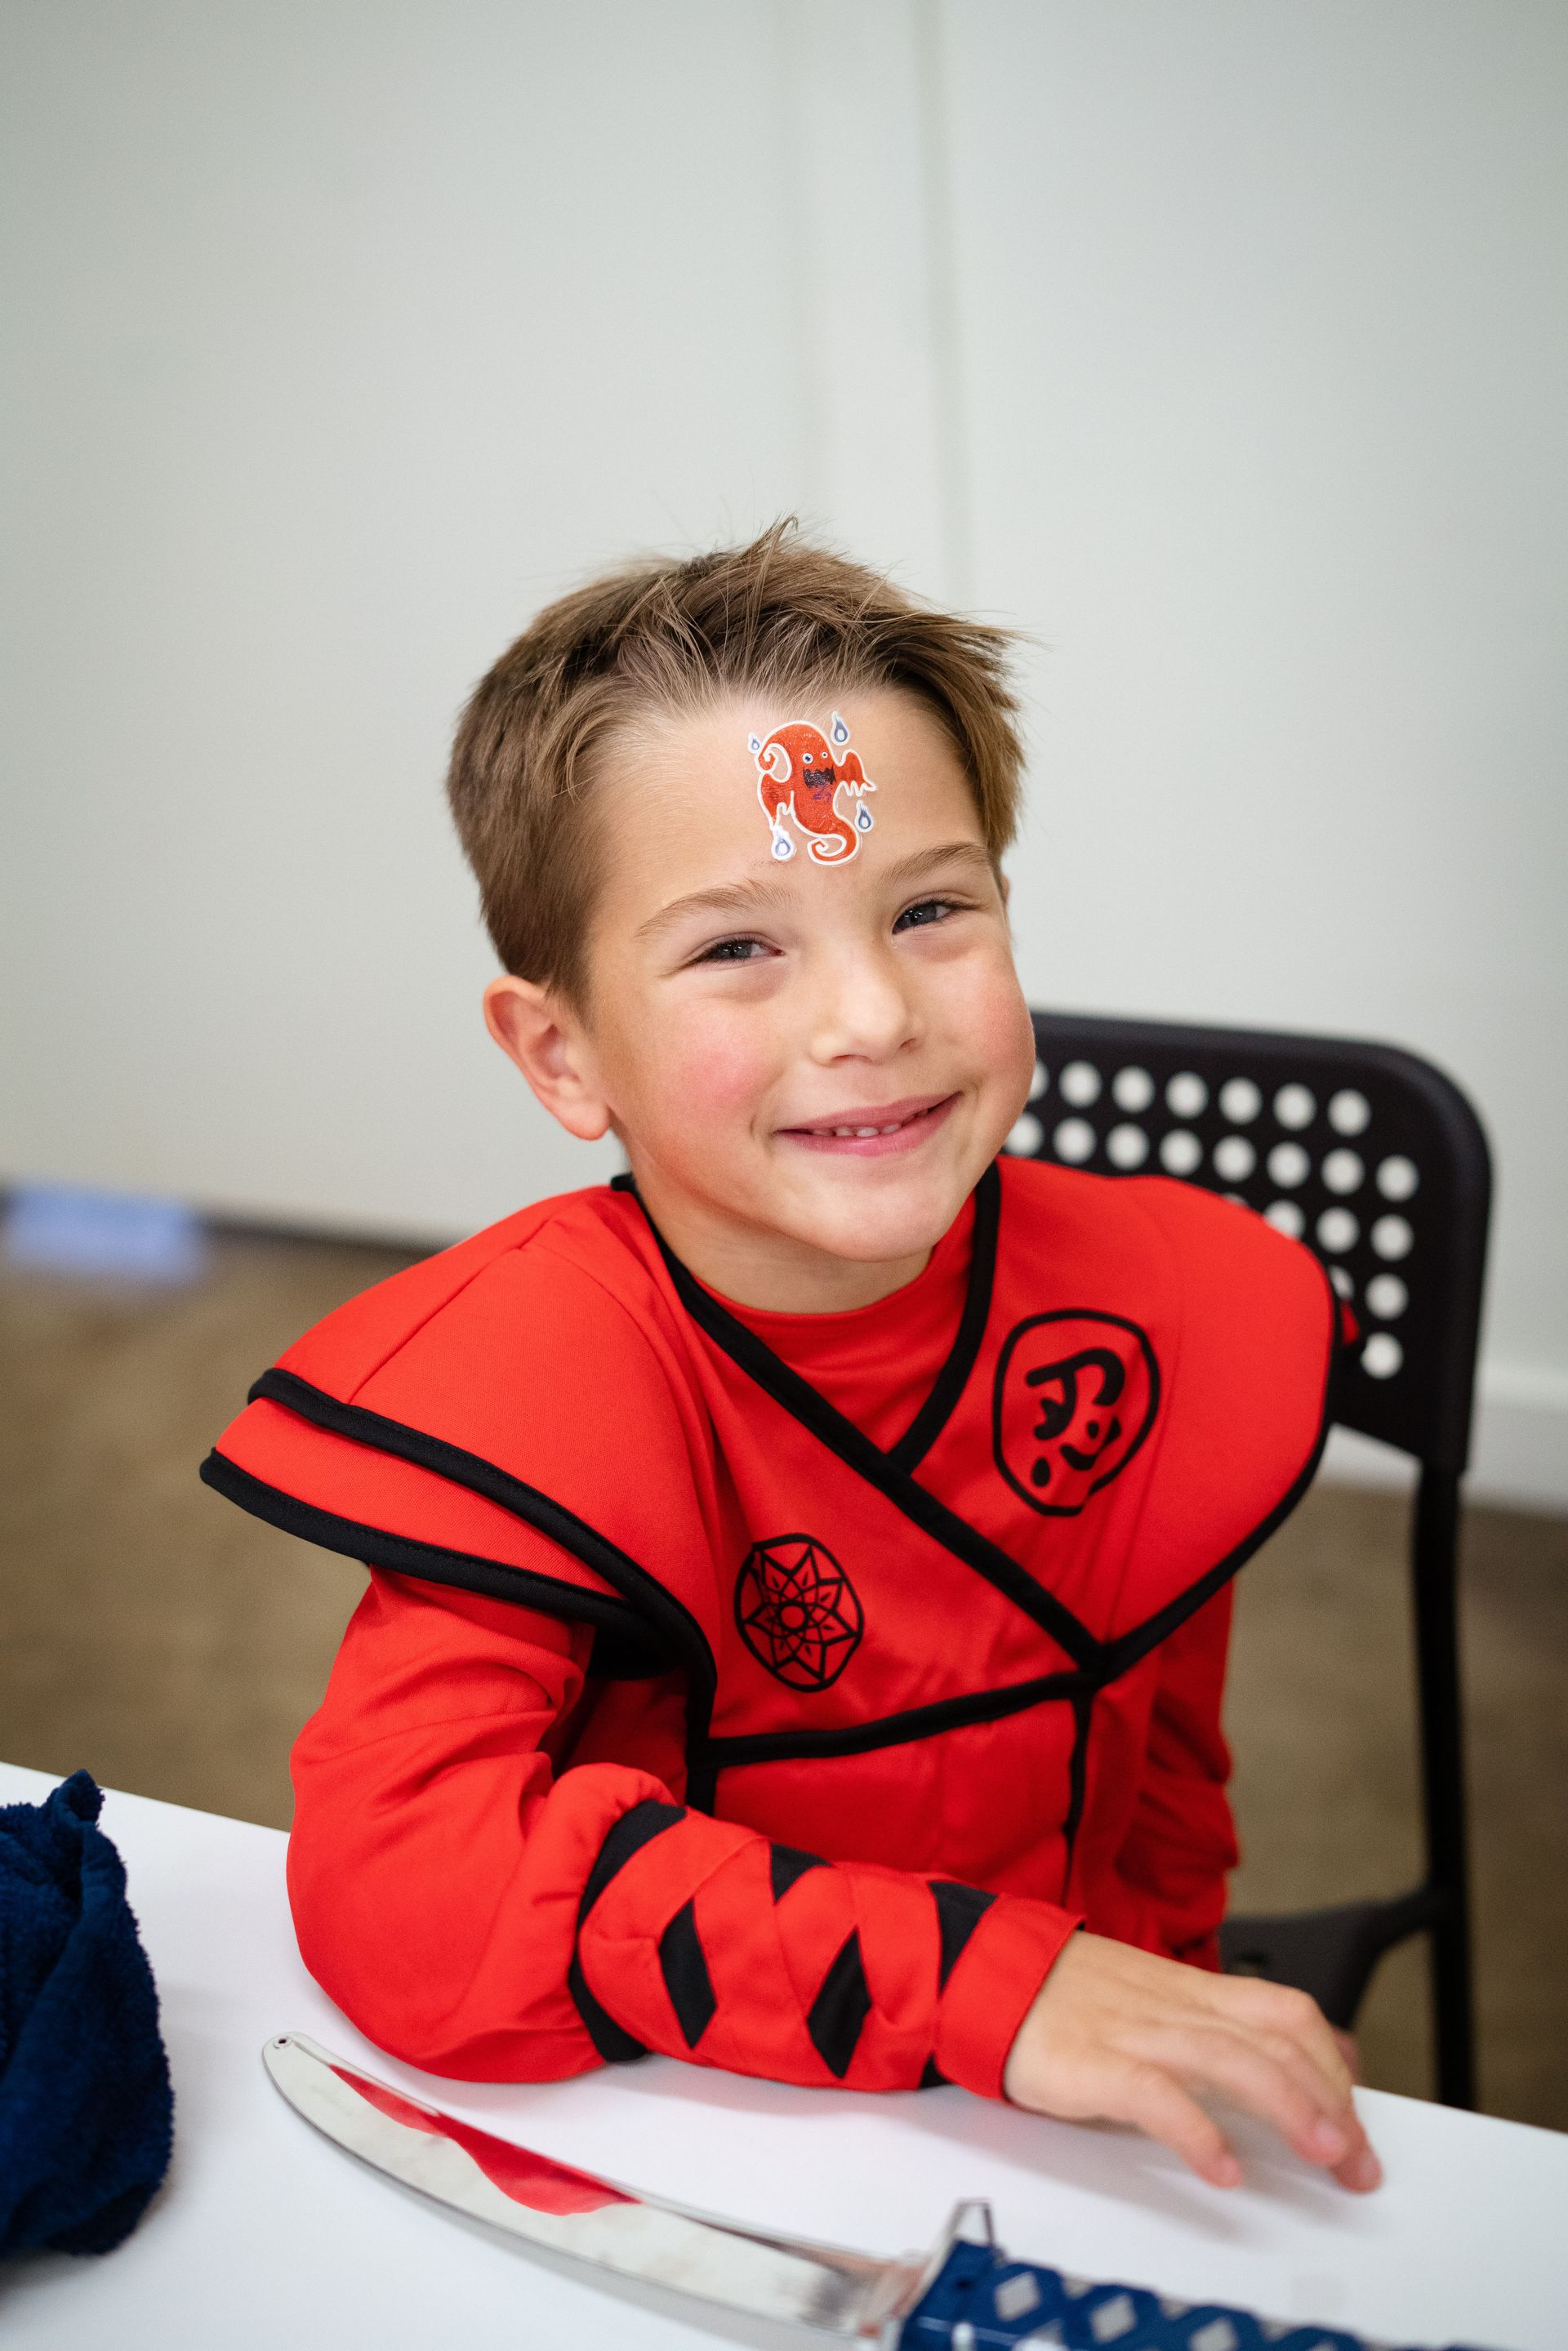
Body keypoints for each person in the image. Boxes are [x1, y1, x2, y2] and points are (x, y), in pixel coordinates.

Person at [203, 525, 1379, 2196]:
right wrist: (982, 1982)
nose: (873, 1016)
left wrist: (1160, 2011)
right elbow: (408, 1896)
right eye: (739, 947)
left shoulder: (1157, 1318)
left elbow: (1166, 1785)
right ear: (561, 1050)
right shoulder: (547, 1383)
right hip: (701, 2132)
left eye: (930, 909)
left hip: (1050, 2136)